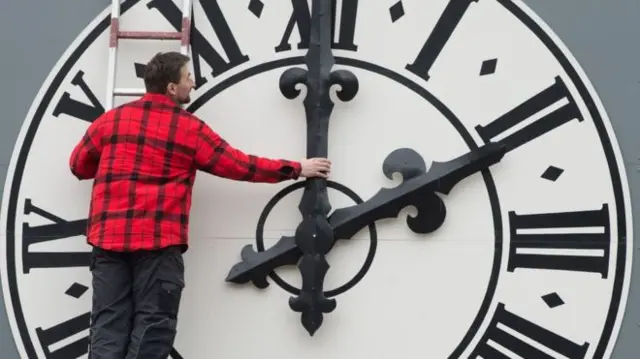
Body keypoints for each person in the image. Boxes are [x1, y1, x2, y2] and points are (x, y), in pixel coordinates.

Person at [69, 51, 331, 358]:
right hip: (158, 246)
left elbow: (78, 165)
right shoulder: (188, 129)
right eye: (187, 77)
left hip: (108, 243)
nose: (192, 83)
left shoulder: (110, 121)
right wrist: (297, 168)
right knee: (154, 326)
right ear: (171, 88)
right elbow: (239, 165)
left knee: (107, 325)